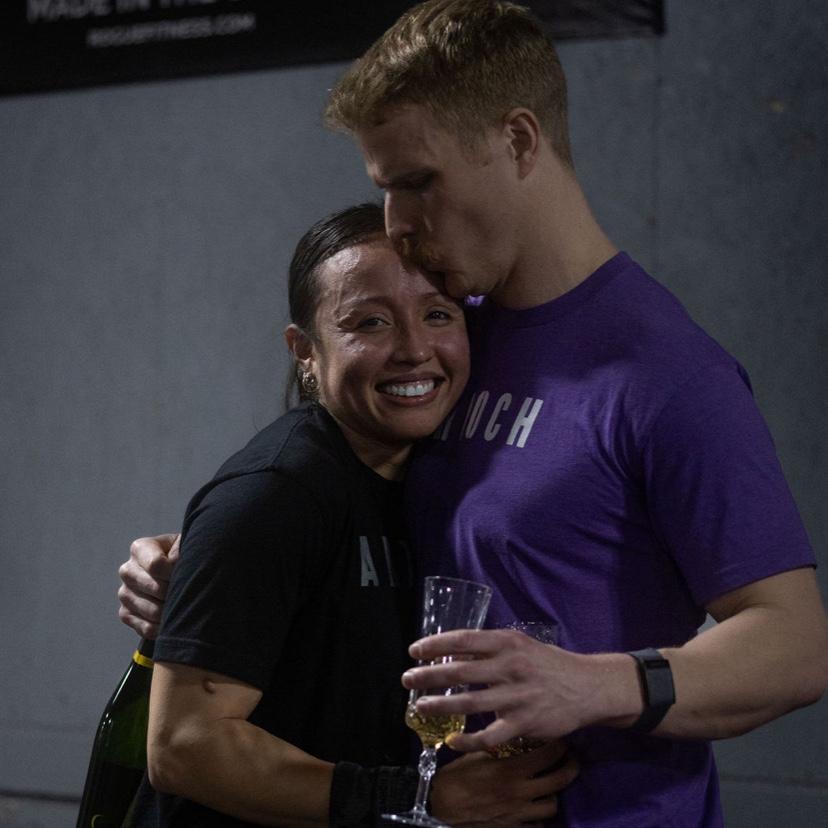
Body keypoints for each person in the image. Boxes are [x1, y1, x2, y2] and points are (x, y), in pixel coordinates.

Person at [121, 1, 828, 825]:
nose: (397, 224)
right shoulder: (454, 335)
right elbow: (337, 491)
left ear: (519, 141)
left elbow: (794, 646)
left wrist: (594, 683)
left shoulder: (671, 375)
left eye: (418, 183)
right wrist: (207, 561)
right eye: (385, 190)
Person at [123, 202, 576, 827]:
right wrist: (415, 799)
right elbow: (184, 747)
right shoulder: (274, 494)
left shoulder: (435, 476)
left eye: (437, 314)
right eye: (370, 322)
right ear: (305, 351)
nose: (414, 350)